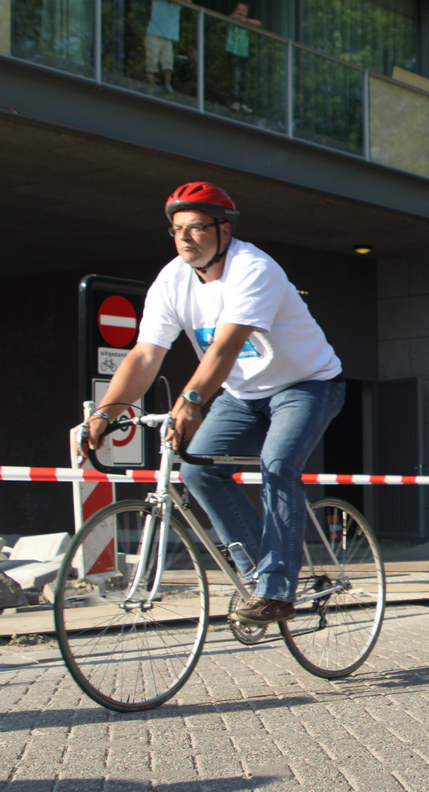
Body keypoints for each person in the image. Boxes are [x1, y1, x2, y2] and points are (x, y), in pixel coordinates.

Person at [76, 181, 345, 626]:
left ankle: (277, 590)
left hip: (307, 385)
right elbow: (145, 355)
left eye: (197, 227)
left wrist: (191, 400)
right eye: (177, 228)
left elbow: (226, 345)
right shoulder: (171, 280)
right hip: (242, 394)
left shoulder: (253, 268)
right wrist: (107, 411)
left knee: (278, 465)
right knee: (197, 470)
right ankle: (257, 577)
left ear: (225, 230)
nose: (184, 236)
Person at [226, 2, 262, 113]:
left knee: (246, 79)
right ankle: (235, 101)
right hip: (234, 51)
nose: (240, 12)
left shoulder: (245, 22)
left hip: (244, 53)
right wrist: (239, 18)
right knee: (236, 77)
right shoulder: (233, 20)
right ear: (235, 10)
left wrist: (246, 21)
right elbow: (231, 17)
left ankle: (243, 102)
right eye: (238, 9)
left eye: (243, 10)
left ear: (246, 13)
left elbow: (258, 23)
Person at [145, 0, 184, 94]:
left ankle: (167, 84)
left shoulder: (177, 4)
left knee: (168, 61)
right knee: (152, 60)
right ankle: (151, 83)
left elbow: (189, 1)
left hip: (168, 37)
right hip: (154, 33)